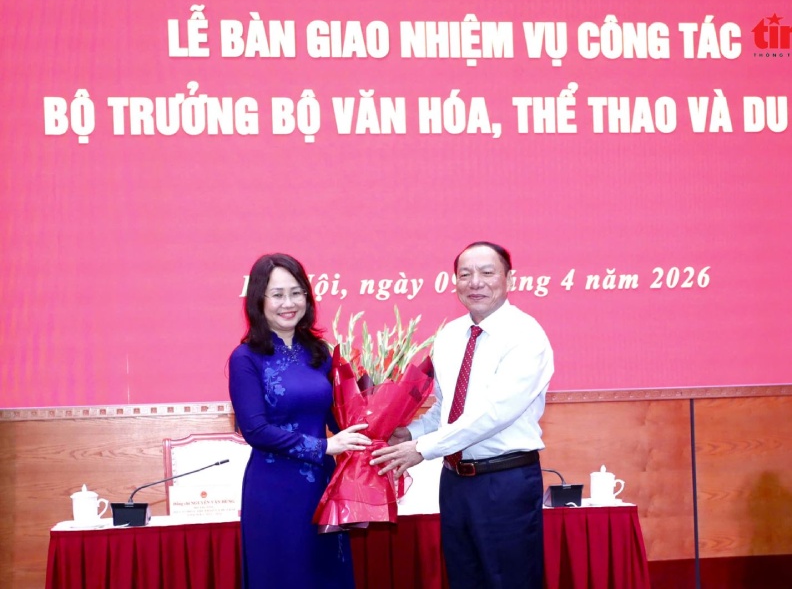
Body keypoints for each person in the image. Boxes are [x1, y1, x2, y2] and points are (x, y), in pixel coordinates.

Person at [370, 241, 555, 589]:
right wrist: (408, 433)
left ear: (509, 279)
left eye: (487, 273)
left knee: (510, 581)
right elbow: (447, 408)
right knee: (463, 579)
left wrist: (422, 449)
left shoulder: (526, 336)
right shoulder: (451, 335)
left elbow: (493, 413)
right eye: (465, 274)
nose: (476, 282)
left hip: (505, 482)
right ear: (454, 282)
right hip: (454, 482)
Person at [229, 253, 371, 589]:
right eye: (277, 294)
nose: (288, 303)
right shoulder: (246, 357)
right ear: (258, 300)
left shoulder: (320, 352)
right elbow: (256, 430)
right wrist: (325, 446)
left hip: (323, 488)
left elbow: (339, 419)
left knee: (324, 575)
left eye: (297, 292)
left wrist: (375, 428)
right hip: (274, 491)